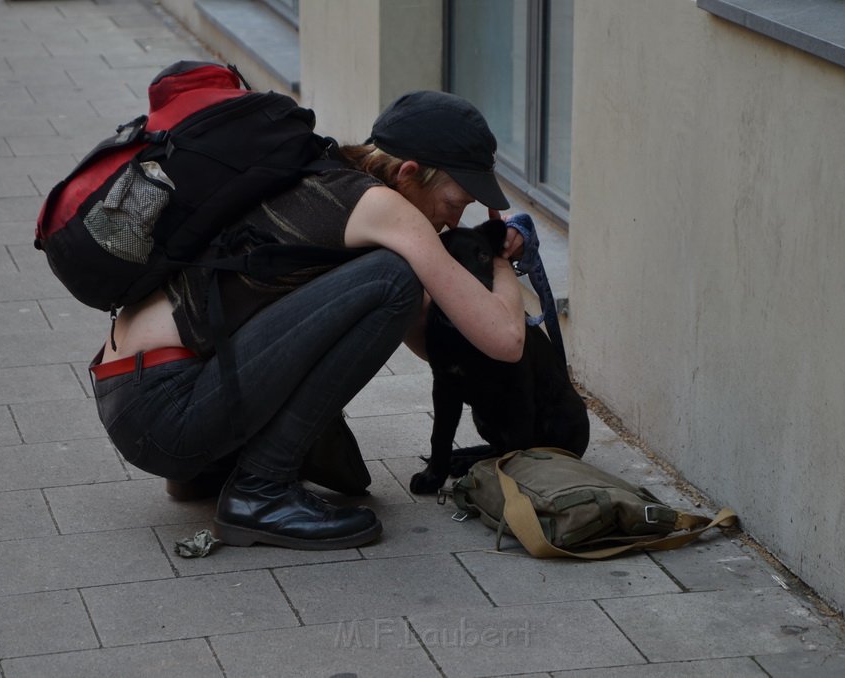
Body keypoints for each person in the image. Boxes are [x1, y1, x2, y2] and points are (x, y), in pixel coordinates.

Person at [89, 90, 527, 550]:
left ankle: (211, 469)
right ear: (409, 173)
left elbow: (422, 337)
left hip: (137, 398)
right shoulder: (386, 209)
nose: (457, 221)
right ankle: (260, 491)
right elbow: (507, 340)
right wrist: (500, 254)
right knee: (394, 279)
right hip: (167, 410)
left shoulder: (327, 173)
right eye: (456, 201)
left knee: (397, 284)